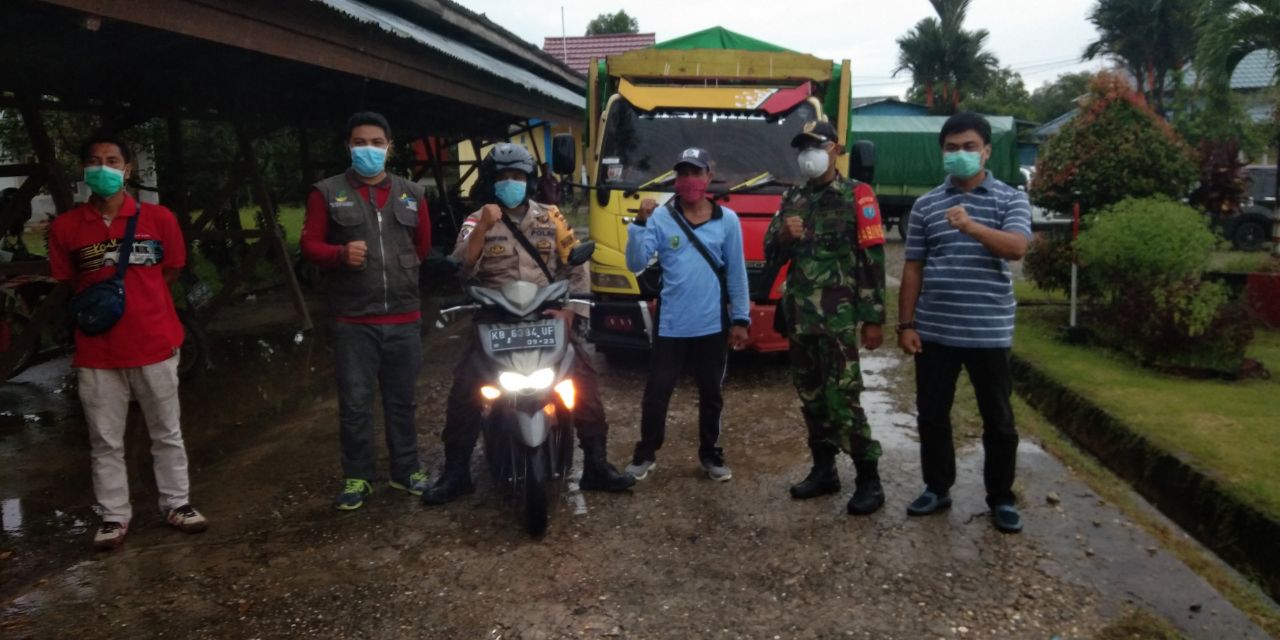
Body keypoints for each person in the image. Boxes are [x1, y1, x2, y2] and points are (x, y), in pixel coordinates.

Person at [421, 143, 634, 505]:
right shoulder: (477, 220)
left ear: (529, 180)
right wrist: (484, 227)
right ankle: (456, 472)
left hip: (544, 316)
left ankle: (596, 464)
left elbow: (575, 264)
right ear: (491, 182)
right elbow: (462, 268)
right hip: (495, 318)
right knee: (464, 389)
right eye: (503, 177)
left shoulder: (550, 216)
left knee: (582, 382)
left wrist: (570, 313)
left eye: (517, 176)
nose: (510, 183)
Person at [48, 133, 207, 549]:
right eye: (96, 160)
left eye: (113, 160)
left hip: (154, 343)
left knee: (166, 431)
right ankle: (114, 516)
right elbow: (67, 280)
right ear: (85, 169)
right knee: (104, 440)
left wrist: (138, 299)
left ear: (128, 169)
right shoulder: (66, 227)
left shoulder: (159, 220)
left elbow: (170, 269)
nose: (104, 167)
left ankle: (177, 503)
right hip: (98, 352)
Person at [897, 112, 1032, 534]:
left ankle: (1001, 498)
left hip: (988, 332)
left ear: (987, 151)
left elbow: (1015, 248)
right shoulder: (926, 205)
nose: (960, 154)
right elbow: (913, 268)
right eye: (952, 148)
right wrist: (905, 325)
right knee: (933, 415)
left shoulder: (1010, 199)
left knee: (999, 420)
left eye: (969, 147)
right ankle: (937, 488)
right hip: (936, 331)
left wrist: (971, 225)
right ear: (942, 153)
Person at [300, 111, 432, 511]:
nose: (369, 149)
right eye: (360, 142)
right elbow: (309, 246)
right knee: (356, 403)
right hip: (353, 320)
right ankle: (358, 477)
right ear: (348, 147)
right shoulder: (327, 192)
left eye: (377, 142)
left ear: (389, 148)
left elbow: (421, 247)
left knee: (402, 400)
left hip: (404, 318)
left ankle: (406, 471)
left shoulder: (413, 193)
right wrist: (340, 254)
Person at [764, 120, 888, 516]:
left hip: (838, 320)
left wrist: (873, 319)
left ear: (835, 148)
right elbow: (772, 252)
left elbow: (872, 260)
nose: (807, 155)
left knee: (844, 398)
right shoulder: (793, 198)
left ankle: (869, 478)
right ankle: (824, 470)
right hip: (800, 317)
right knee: (811, 396)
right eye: (801, 148)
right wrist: (783, 236)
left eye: (814, 146)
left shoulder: (858, 195)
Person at [623, 148, 750, 482]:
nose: (690, 181)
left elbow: (737, 274)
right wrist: (639, 224)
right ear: (676, 181)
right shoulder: (662, 218)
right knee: (657, 392)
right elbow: (636, 263)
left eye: (696, 173)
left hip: (711, 326)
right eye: (683, 174)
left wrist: (740, 320)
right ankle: (646, 454)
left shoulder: (728, 221)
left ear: (709, 176)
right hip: (671, 325)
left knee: (711, 394)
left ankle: (711, 455)